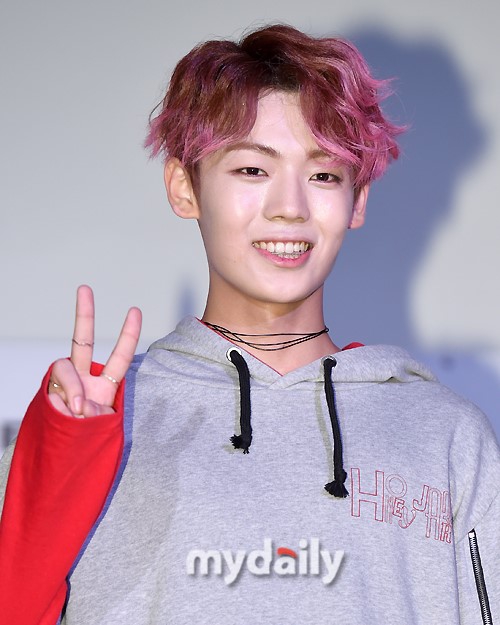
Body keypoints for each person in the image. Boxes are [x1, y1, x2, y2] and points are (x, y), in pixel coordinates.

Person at [0, 23, 498, 625]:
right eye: (253, 170)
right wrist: (61, 453)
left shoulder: (445, 435)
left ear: (358, 200)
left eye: (323, 175)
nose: (289, 207)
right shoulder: (95, 422)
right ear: (184, 187)